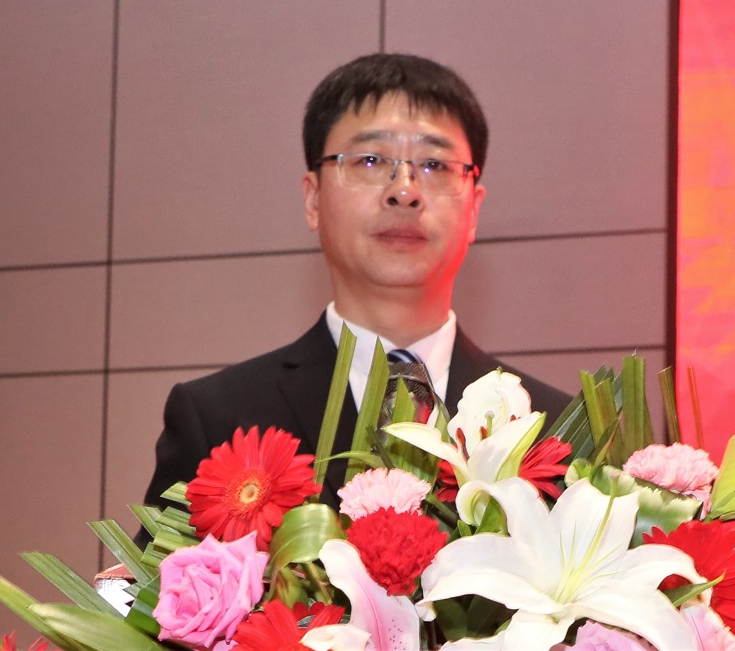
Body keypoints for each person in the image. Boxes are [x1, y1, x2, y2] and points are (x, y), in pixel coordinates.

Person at [138, 54, 571, 539]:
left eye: (434, 165)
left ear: (474, 209)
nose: (404, 191)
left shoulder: (555, 430)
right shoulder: (220, 418)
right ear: (313, 199)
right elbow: (161, 583)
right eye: (370, 160)